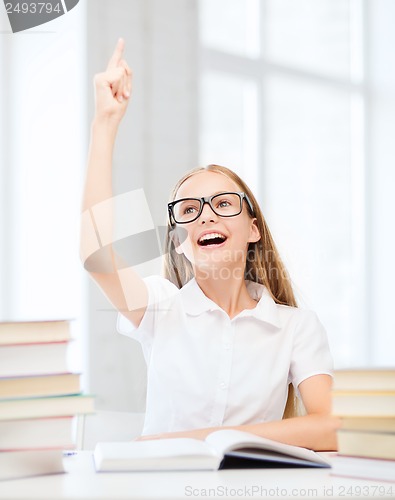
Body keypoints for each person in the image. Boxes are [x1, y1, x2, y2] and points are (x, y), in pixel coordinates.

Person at [81, 38, 341, 451]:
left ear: (254, 229)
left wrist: (198, 440)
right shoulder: (160, 307)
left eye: (222, 203)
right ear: (179, 242)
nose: (205, 215)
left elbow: (331, 430)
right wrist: (105, 125)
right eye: (188, 209)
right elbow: (97, 257)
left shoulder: (295, 327)